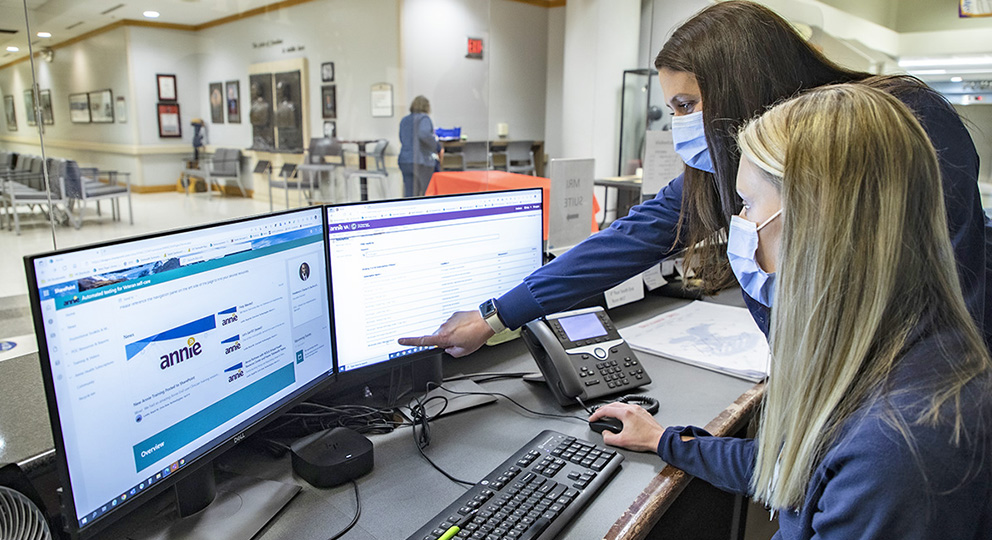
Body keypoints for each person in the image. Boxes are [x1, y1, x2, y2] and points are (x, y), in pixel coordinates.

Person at [398, 0, 990, 358]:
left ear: (741, 91)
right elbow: (637, 235)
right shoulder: (741, 162)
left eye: (687, 105)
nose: (679, 123)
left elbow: (953, 298)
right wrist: (496, 313)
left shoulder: (898, 123)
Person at [591, 83, 992, 540]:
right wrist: (667, 441)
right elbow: (798, 469)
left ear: (817, 221)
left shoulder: (898, 447)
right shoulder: (893, 354)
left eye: (748, 204)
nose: (739, 224)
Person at [398, 95, 441, 197]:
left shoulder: (404, 120)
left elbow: (401, 138)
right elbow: (424, 134)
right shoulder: (424, 118)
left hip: (405, 161)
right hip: (421, 161)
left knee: (410, 194)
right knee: (427, 193)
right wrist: (437, 146)